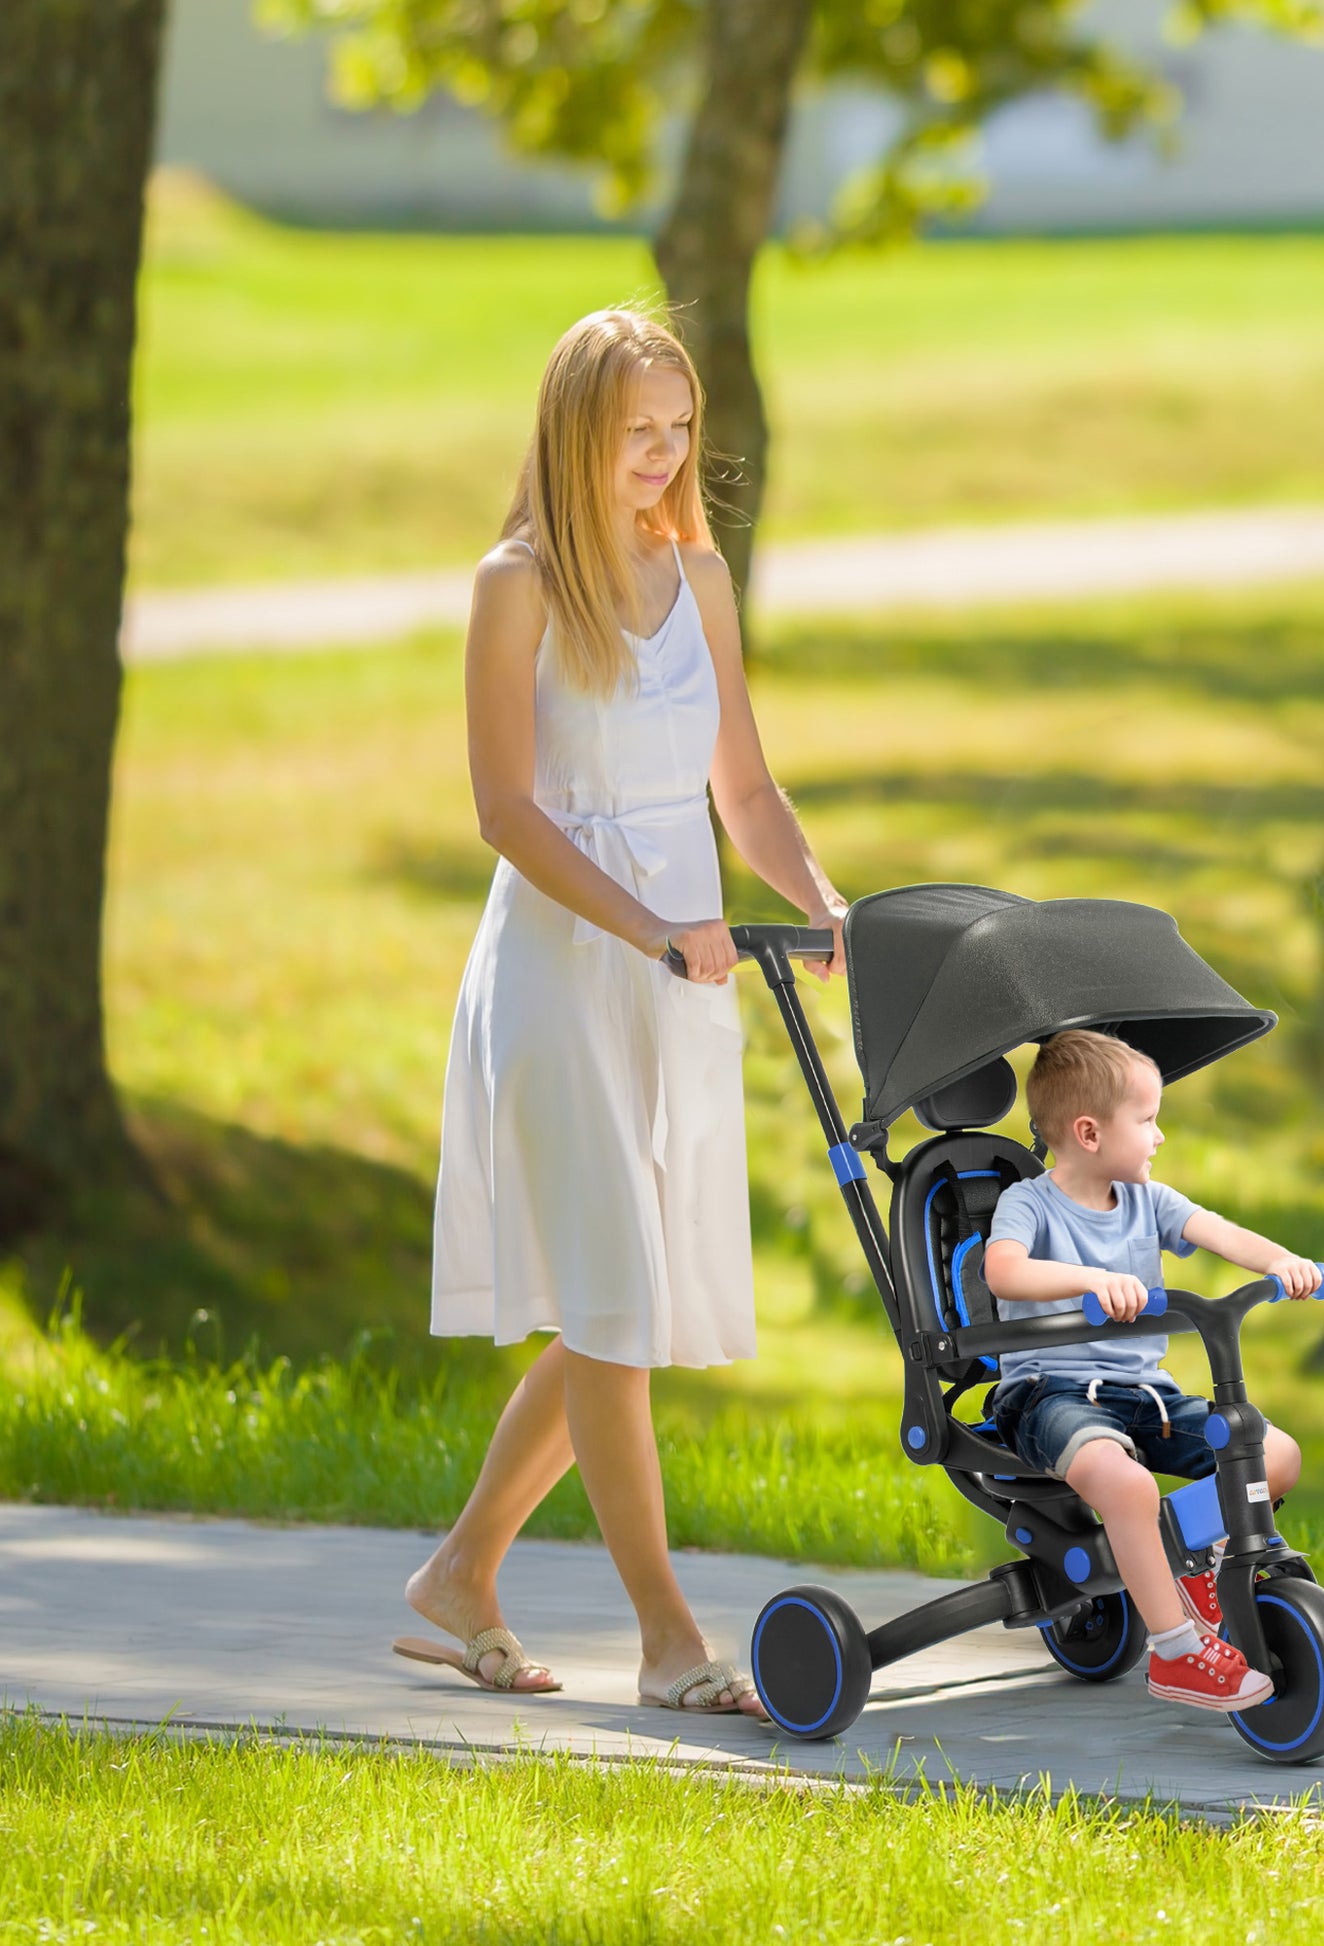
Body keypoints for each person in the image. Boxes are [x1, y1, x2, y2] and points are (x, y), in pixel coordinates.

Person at [389, 307, 847, 1717]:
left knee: (617, 1300)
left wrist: (824, 901)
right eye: (637, 428)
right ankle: (666, 1636)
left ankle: (459, 1574)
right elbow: (503, 810)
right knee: (613, 1302)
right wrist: (647, 926)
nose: (663, 452)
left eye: (679, 428)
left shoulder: (697, 573)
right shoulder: (515, 584)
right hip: (565, 966)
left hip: (680, 971)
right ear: (573, 428)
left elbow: (743, 789)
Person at [981, 1029, 1324, 1712]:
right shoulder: (1029, 1202)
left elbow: (1219, 1231)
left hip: (1146, 1398)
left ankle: (1189, 1561)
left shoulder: (1149, 1200)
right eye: (1146, 1120)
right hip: (1049, 1395)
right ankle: (1174, 1651)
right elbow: (1004, 1270)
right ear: (1089, 1133)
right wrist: (1089, 1280)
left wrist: (1282, 1261)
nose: (1159, 1135)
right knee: (1127, 1485)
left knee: (1273, 1454)